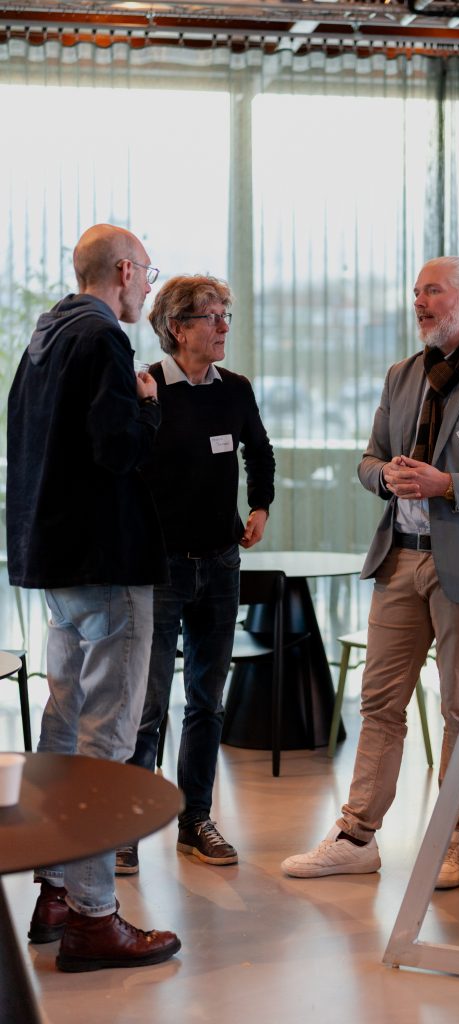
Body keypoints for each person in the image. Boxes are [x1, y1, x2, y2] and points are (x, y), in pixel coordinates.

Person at [282, 256, 459, 887]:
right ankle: (357, 835)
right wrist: (381, 477)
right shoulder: (400, 376)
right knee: (380, 702)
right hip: (400, 558)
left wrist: (450, 484)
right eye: (416, 292)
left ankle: (451, 840)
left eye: (432, 291)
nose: (419, 302)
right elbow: (368, 458)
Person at [6, 223, 181, 971]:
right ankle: (92, 916)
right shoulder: (104, 338)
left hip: (56, 564)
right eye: (146, 273)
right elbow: (117, 450)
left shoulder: (42, 338)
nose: (147, 286)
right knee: (106, 742)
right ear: (123, 270)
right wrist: (146, 405)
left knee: (64, 722)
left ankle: (54, 887)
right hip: (107, 564)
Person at [115, 274, 275, 877]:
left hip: (221, 566)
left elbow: (258, 452)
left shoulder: (235, 389)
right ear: (178, 328)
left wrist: (260, 506)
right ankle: (128, 827)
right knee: (148, 704)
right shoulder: (148, 389)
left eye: (225, 316)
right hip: (161, 572)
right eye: (212, 318)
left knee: (207, 702)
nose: (223, 328)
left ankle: (195, 821)